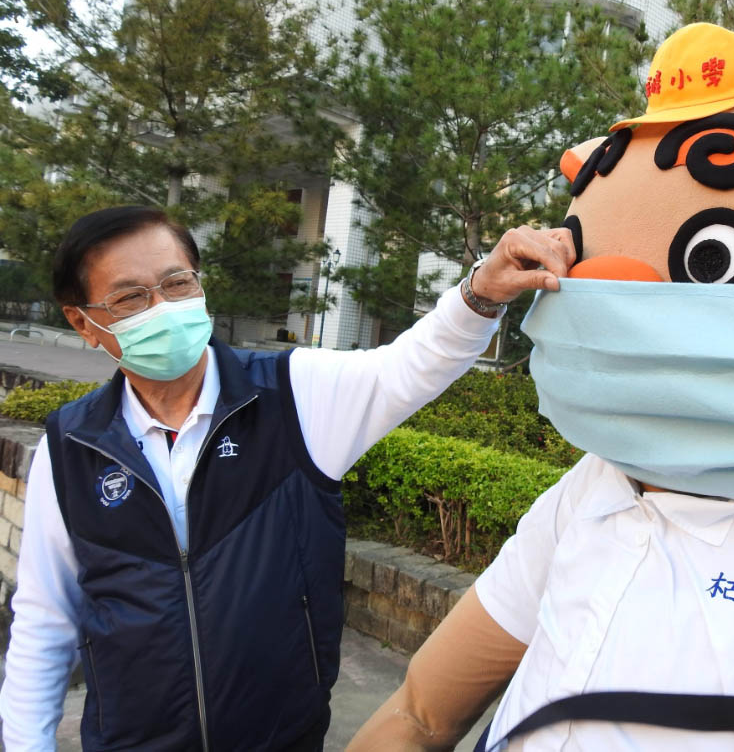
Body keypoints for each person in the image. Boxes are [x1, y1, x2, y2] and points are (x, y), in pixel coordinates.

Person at [0, 205, 574, 752]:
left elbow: (410, 367)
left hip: (280, 735)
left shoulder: (291, 394)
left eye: (176, 284)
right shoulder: (72, 446)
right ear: (84, 324)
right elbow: (46, 620)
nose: (162, 307)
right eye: (131, 297)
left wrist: (481, 292)